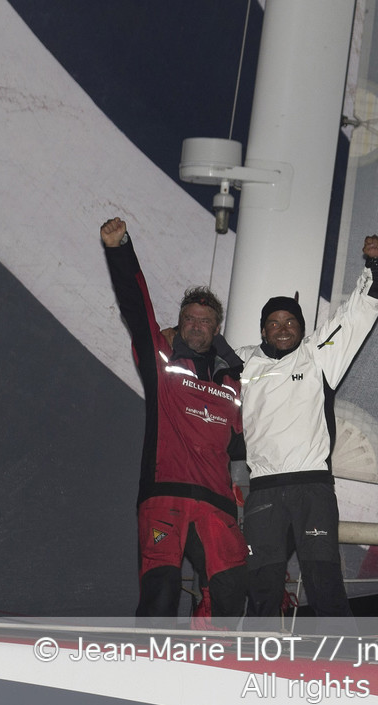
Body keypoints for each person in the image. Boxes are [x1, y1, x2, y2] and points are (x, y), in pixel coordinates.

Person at [100, 217, 247, 619]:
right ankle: (148, 672)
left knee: (230, 592)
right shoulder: (161, 362)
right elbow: (135, 304)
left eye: (205, 321)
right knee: (161, 591)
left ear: (217, 328)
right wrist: (120, 248)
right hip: (166, 496)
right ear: (179, 323)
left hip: (216, 505)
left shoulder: (236, 380)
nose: (196, 326)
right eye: (190, 318)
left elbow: (243, 446)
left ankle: (212, 665)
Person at [238, 235, 378, 616]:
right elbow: (196, 363)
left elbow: (356, 316)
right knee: (261, 589)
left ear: (302, 328)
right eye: (273, 323)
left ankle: (342, 669)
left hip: (312, 489)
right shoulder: (242, 363)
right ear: (262, 332)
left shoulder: (317, 355)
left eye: (291, 321)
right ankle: (255, 667)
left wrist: (375, 268)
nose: (283, 328)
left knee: (325, 584)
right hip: (264, 492)